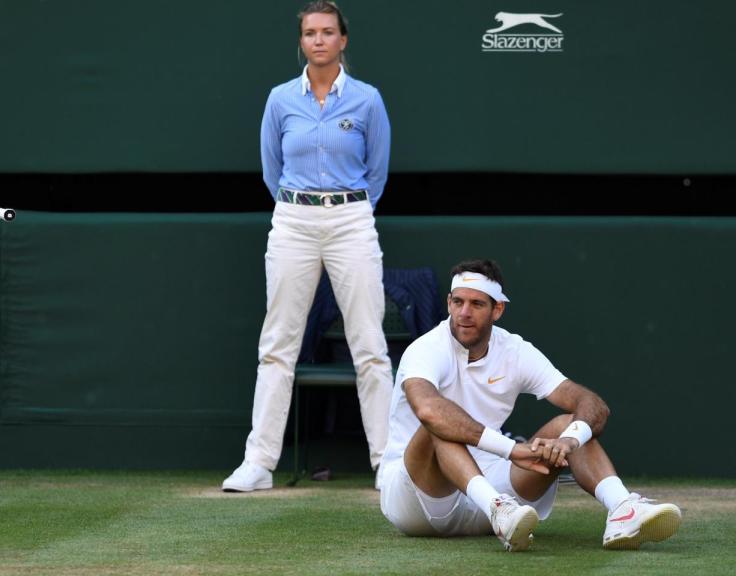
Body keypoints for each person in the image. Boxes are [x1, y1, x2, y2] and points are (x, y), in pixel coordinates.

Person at [377, 259, 682, 550]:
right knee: (437, 424)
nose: (464, 313)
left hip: (494, 490)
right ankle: (498, 509)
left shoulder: (515, 350)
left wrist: (569, 441)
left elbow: (592, 404)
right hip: (417, 499)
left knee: (570, 424)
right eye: (458, 302)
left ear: (498, 309)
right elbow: (428, 410)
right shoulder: (426, 349)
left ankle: (623, 509)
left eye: (477, 304)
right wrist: (511, 450)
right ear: (448, 303)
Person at [223, 0, 393, 492]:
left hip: (352, 219)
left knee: (370, 346)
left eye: (328, 32)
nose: (319, 40)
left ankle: (388, 464)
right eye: (310, 33)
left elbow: (377, 171)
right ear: (301, 42)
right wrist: (301, 208)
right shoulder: (280, 100)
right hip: (293, 219)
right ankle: (259, 463)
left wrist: (348, 209)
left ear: (343, 39)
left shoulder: (367, 100)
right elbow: (271, 169)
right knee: (278, 344)